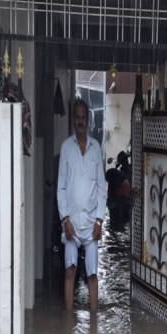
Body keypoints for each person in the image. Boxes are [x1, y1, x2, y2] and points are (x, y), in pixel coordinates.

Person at [56, 99, 107, 311]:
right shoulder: (66, 148)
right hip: (72, 223)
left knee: (92, 274)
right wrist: (65, 220)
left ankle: (94, 323)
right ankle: (68, 321)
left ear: (88, 120)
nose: (80, 120)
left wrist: (99, 221)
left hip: (90, 223)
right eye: (76, 117)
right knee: (70, 270)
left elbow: (102, 188)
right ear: (72, 120)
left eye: (83, 117)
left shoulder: (96, 149)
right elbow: (61, 188)